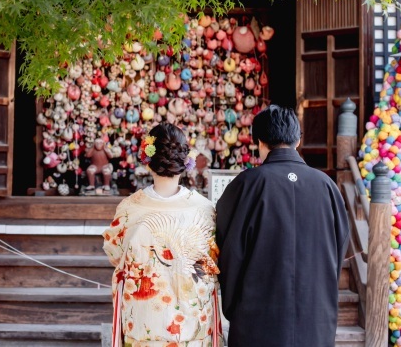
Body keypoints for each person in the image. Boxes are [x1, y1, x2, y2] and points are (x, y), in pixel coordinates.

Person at [215, 105, 349, 347]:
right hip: (315, 315)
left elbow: (229, 251)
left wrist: (233, 305)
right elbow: (338, 250)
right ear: (298, 140)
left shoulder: (246, 185)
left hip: (256, 317)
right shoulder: (327, 187)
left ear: (259, 141)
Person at [103, 123, 222, 347]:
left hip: (143, 320)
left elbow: (115, 254)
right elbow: (214, 260)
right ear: (185, 161)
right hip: (192, 322)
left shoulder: (130, 209)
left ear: (147, 160)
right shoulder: (204, 210)